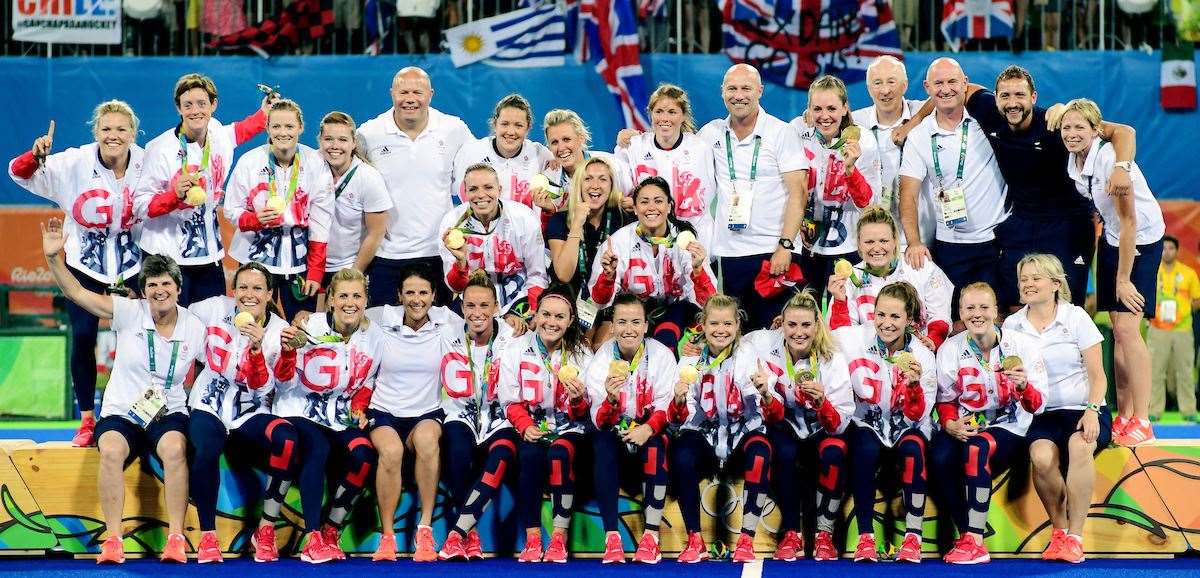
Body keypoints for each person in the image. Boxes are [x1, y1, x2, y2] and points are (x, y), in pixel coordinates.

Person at [896, 64, 1137, 311]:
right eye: (1005, 96)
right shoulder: (988, 111)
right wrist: (915, 120)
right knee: (1013, 306)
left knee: (1066, 307)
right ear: (996, 98)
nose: (1013, 103)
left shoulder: (1055, 123)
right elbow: (958, 91)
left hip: (1067, 225)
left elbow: (1122, 131)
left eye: (1020, 95)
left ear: (1034, 97)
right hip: (1020, 223)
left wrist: (1122, 167)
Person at [42, 217, 205, 564]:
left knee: (175, 448)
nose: (159, 291)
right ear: (143, 290)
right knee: (112, 450)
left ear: (177, 288)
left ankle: (176, 537)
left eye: (165, 284)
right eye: (151, 285)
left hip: (169, 412)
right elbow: (78, 293)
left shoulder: (195, 326)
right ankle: (113, 539)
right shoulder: (129, 312)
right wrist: (55, 258)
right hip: (122, 413)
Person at [8, 101, 146, 447]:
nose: (113, 136)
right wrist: (34, 156)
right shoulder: (74, 162)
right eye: (106, 129)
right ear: (96, 131)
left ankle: (139, 413)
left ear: (133, 133)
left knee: (140, 341)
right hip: (84, 265)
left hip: (132, 266)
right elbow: (17, 172)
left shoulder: (148, 163)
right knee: (83, 336)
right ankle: (87, 419)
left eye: (121, 129)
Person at [1059, 98, 1164, 446]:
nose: (1072, 133)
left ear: (1095, 131)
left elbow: (1131, 222)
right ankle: (1125, 414)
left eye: (1079, 128)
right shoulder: (1075, 163)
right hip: (1113, 239)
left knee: (1130, 330)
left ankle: (1144, 420)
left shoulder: (1109, 163)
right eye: (1067, 127)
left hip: (1141, 241)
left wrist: (1122, 279)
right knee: (1117, 330)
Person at [185, 262, 298, 563]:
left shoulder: (277, 332)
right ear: (233, 291)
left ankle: (265, 529)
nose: (249, 295)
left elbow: (263, 390)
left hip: (250, 410)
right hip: (209, 403)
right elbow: (176, 313)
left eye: (258, 288)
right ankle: (208, 536)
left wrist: (258, 349)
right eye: (243, 287)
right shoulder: (212, 308)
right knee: (207, 447)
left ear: (270, 294)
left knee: (287, 439)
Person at [273, 268, 386, 564]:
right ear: (331, 300)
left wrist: (360, 407)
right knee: (318, 448)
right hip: (299, 410)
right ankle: (312, 538)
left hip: (340, 416)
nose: (351, 303)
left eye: (357, 296)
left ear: (366, 300)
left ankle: (331, 529)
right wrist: (287, 352)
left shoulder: (373, 335)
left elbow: (369, 381)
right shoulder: (308, 325)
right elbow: (282, 382)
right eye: (344, 296)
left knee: (363, 455)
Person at [1003, 254, 1110, 564]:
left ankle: (1076, 537)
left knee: (1080, 446)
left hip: (1083, 407)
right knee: (1041, 457)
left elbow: (1097, 374)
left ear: (1055, 283)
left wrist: (1092, 410)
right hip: (1040, 412)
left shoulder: (1076, 317)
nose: (1028, 283)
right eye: (1024, 278)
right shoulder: (1012, 325)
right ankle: (1059, 531)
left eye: (1036, 278)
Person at [930, 283, 1047, 564]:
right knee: (939, 455)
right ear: (960, 312)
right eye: (970, 308)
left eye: (984, 307)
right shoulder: (950, 349)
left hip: (1010, 426)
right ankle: (966, 530)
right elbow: (945, 399)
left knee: (977, 449)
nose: (977, 314)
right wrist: (949, 424)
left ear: (996, 311)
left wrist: (1023, 387)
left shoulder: (1023, 345)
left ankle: (974, 540)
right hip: (967, 424)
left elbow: (1038, 405)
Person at [135, 73, 273, 306]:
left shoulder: (217, 133)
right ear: (178, 108)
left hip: (208, 255)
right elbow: (139, 206)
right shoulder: (159, 149)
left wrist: (265, 114)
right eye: (187, 105)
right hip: (166, 257)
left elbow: (239, 131)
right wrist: (173, 195)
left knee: (210, 328)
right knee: (170, 331)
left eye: (202, 103)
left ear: (214, 105)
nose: (195, 111)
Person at [670, 294, 783, 563]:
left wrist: (765, 393)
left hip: (742, 435)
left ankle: (746, 539)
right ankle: (695, 539)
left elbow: (773, 413)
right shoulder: (690, 362)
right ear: (703, 325)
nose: (721, 330)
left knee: (760, 452)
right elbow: (676, 420)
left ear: (737, 326)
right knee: (681, 452)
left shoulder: (750, 357)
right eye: (714, 324)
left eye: (727, 324)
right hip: (706, 437)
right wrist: (677, 401)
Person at [698, 64, 810, 331]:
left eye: (746, 88)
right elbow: (676, 148)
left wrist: (785, 245)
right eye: (732, 88)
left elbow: (800, 192)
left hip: (774, 253)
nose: (739, 95)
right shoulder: (711, 133)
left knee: (779, 334)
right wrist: (634, 138)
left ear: (760, 91)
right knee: (739, 336)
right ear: (722, 92)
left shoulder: (781, 132)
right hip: (730, 254)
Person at [745, 290, 855, 562]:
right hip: (785, 426)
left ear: (817, 325)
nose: (798, 333)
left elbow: (839, 425)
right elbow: (728, 339)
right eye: (791, 325)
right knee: (782, 450)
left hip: (823, 429)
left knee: (834, 452)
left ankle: (825, 534)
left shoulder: (833, 357)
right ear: (780, 323)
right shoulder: (762, 343)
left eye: (806, 325)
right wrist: (696, 344)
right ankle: (791, 532)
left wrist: (822, 403)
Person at [361, 265, 460, 561]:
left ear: (433, 295)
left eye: (423, 293)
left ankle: (425, 530)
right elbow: (347, 315)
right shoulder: (381, 319)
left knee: (429, 441)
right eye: (410, 292)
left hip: (427, 412)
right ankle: (388, 536)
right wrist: (308, 317)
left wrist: (516, 324)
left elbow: (482, 318)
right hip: (385, 411)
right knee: (391, 451)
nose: (417, 299)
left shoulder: (447, 321)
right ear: (399, 295)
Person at [833, 281, 937, 563]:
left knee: (914, 451)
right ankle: (866, 537)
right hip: (868, 422)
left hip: (908, 426)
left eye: (895, 317)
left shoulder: (924, 356)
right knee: (864, 450)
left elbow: (918, 415)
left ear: (909, 319)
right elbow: (815, 335)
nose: (886, 323)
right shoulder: (853, 338)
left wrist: (914, 386)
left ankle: (913, 538)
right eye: (880, 315)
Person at [898, 58, 1008, 314]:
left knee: (996, 316)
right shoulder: (919, 136)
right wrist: (914, 242)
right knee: (952, 320)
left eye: (952, 81)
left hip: (994, 240)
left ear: (965, 83)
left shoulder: (985, 117)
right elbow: (908, 196)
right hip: (949, 245)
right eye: (938, 83)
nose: (946, 89)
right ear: (927, 87)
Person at [358, 66, 473, 307]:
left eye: (418, 92)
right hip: (385, 256)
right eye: (404, 92)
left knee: (436, 337)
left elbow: (479, 177)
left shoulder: (454, 129)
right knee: (383, 336)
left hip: (437, 254)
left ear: (431, 94)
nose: (410, 99)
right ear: (392, 94)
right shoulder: (369, 133)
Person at [499, 284, 593, 563]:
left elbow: (584, 414)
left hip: (570, 430)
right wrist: (525, 425)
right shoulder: (515, 348)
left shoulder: (582, 354)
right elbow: (509, 398)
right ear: (535, 315)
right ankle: (533, 538)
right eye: (546, 315)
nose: (552, 322)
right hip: (533, 427)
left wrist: (577, 401)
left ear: (571, 320)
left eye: (560, 317)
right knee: (528, 456)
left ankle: (559, 539)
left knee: (559, 454)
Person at [437, 272, 524, 561]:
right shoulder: (446, 334)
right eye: (471, 306)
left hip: (501, 418)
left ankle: (456, 534)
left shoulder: (514, 338)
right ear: (461, 308)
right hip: (460, 415)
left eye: (484, 306)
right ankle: (470, 534)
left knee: (500, 456)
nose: (477, 313)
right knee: (459, 454)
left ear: (497, 307)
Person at [585, 295, 677, 564]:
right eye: (622, 322)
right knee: (601, 446)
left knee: (656, 447)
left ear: (646, 326)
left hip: (648, 431)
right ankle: (612, 537)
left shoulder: (661, 355)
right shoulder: (602, 359)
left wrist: (647, 429)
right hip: (614, 432)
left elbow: (666, 406)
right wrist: (611, 401)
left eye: (636, 322)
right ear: (611, 327)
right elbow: (598, 420)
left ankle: (650, 537)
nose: (629, 329)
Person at [225, 99, 335, 320]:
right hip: (254, 258)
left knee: (302, 325)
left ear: (301, 128)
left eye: (289, 126)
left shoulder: (315, 163)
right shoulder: (250, 161)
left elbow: (321, 222)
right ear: (267, 127)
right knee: (252, 322)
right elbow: (231, 210)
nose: (282, 132)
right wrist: (255, 220)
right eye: (276, 126)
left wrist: (315, 271)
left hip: (299, 263)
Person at [588, 177, 717, 349]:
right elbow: (599, 301)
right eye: (644, 202)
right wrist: (608, 276)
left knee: (668, 342)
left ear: (669, 206)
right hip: (630, 313)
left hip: (676, 313)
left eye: (658, 201)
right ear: (634, 208)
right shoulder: (618, 243)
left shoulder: (685, 241)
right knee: (601, 345)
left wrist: (698, 270)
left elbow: (708, 301)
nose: (651, 208)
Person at [828, 206, 953, 350]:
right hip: (870, 361)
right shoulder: (850, 279)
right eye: (869, 242)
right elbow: (843, 337)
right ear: (859, 244)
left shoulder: (919, 265)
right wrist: (839, 302)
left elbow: (940, 315)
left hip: (920, 354)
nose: (876, 248)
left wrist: (932, 340)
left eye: (883, 241)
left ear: (895, 241)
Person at [795, 76, 874, 298]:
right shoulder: (796, 132)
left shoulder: (864, 141)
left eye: (832, 108)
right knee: (805, 321)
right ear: (809, 109)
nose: (825, 116)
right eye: (817, 109)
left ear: (845, 108)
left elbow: (867, 204)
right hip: (805, 247)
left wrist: (850, 170)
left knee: (843, 320)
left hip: (847, 247)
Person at [439, 163, 548, 321]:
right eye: (473, 189)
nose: (481, 195)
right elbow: (455, 287)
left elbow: (537, 275)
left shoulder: (525, 218)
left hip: (518, 297)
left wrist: (526, 313)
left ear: (500, 190)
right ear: (465, 192)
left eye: (488, 187)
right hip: (474, 300)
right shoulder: (452, 223)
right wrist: (461, 263)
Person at [615, 83, 718, 250]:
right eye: (659, 112)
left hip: (696, 244)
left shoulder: (701, 148)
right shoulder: (634, 147)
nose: (664, 118)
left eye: (672, 112)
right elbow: (616, 188)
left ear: (683, 115)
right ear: (650, 113)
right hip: (649, 246)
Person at [851, 56, 935, 249]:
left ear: (905, 85)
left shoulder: (923, 112)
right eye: (877, 83)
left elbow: (952, 93)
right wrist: (809, 116)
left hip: (921, 238)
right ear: (869, 88)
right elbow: (823, 116)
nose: (885, 90)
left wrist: (913, 123)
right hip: (873, 238)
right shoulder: (855, 123)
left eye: (892, 81)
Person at [544, 157, 633, 336]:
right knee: (580, 345)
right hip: (570, 300)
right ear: (578, 184)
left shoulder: (623, 219)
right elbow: (563, 274)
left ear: (611, 185)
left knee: (601, 345)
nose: (595, 185)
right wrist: (576, 224)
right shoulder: (560, 220)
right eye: (588, 178)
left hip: (610, 302)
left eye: (602, 179)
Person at [319, 111, 392, 284]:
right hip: (312, 266)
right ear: (320, 141)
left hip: (350, 265)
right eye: (328, 139)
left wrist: (353, 275)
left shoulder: (368, 178)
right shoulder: (311, 166)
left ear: (353, 143)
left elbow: (376, 232)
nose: (335, 146)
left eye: (343, 140)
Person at [451, 94, 553, 211]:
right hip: (479, 228)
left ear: (528, 127)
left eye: (518, 125)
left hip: (526, 228)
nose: (510, 132)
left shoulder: (540, 154)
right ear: (495, 124)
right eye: (505, 124)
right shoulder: (470, 152)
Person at [1147, 236, 1200, 422]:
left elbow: (1196, 300)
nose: (1166, 251)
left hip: (1182, 329)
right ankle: (1154, 410)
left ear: (1177, 251)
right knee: (1155, 371)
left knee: (1185, 371)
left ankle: (1189, 411)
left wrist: (1181, 315)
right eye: (1163, 248)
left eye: (1170, 248)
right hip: (1157, 328)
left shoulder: (1188, 273)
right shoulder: (1151, 271)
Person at [540, 109, 630, 210]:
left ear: (581, 139)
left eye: (566, 139)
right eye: (554, 142)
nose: (561, 148)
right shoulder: (549, 180)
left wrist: (633, 201)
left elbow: (638, 193)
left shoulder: (612, 165)